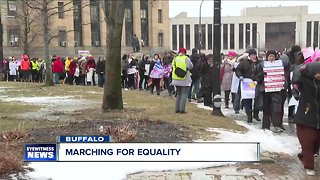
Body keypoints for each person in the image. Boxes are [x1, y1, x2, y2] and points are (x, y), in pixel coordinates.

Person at [292, 62, 320, 176]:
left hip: (318, 119)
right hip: (305, 118)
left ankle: (304, 156)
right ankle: (309, 166)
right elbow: (296, 73)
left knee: (316, 145)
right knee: (307, 143)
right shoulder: (304, 81)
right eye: (318, 72)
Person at [255, 50, 289, 132]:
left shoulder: (279, 66)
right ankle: (265, 126)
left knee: (276, 109)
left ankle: (277, 125)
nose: (271, 58)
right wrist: (261, 75)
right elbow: (256, 77)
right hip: (265, 90)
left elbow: (284, 76)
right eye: (270, 56)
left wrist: (282, 80)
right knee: (266, 109)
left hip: (276, 90)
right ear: (267, 57)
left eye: (273, 56)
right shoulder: (261, 65)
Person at [236, 48, 260, 123]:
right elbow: (238, 70)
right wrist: (240, 76)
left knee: (258, 99)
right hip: (247, 84)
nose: (253, 56)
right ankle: (249, 115)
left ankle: (256, 114)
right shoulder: (244, 63)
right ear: (249, 55)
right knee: (247, 100)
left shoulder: (259, 63)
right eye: (252, 55)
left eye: (254, 55)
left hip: (257, 83)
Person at [172, 48, 193, 113]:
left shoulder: (175, 58)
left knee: (179, 94)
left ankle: (177, 109)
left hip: (176, 79)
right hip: (184, 79)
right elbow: (190, 66)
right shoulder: (186, 58)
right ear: (185, 52)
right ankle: (182, 109)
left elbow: (172, 66)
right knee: (184, 94)